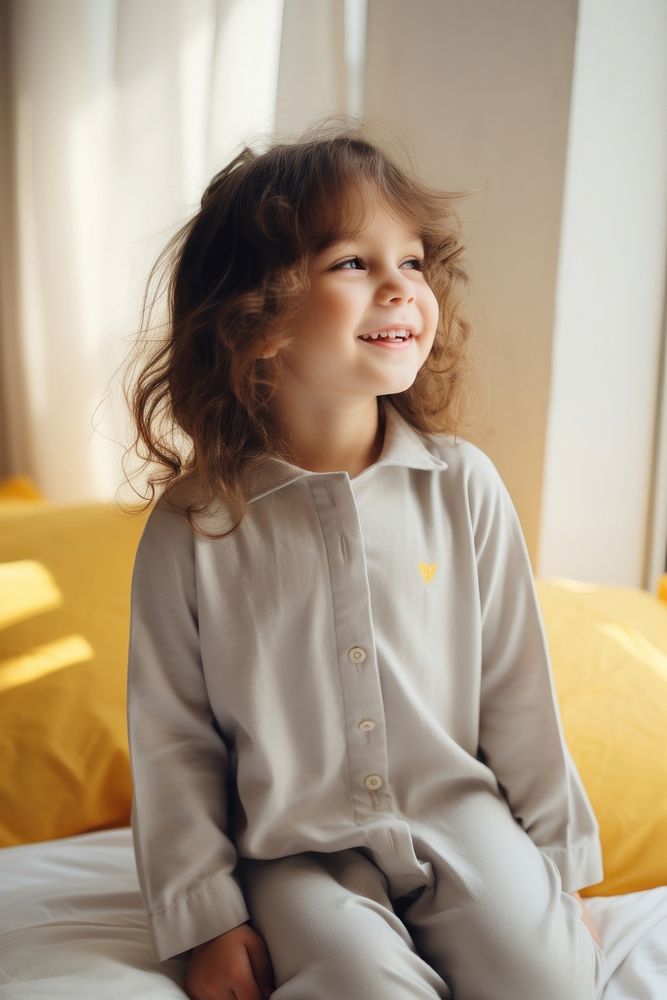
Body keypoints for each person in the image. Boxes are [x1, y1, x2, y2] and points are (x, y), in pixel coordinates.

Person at [124, 120, 605, 1000]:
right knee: (357, 985)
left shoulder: (463, 486)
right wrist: (209, 919)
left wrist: (556, 875)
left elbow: (517, 694)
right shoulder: (193, 527)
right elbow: (173, 743)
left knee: (554, 982)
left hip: (461, 817)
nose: (399, 288)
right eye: (353, 263)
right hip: (291, 845)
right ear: (254, 319)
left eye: (413, 262)